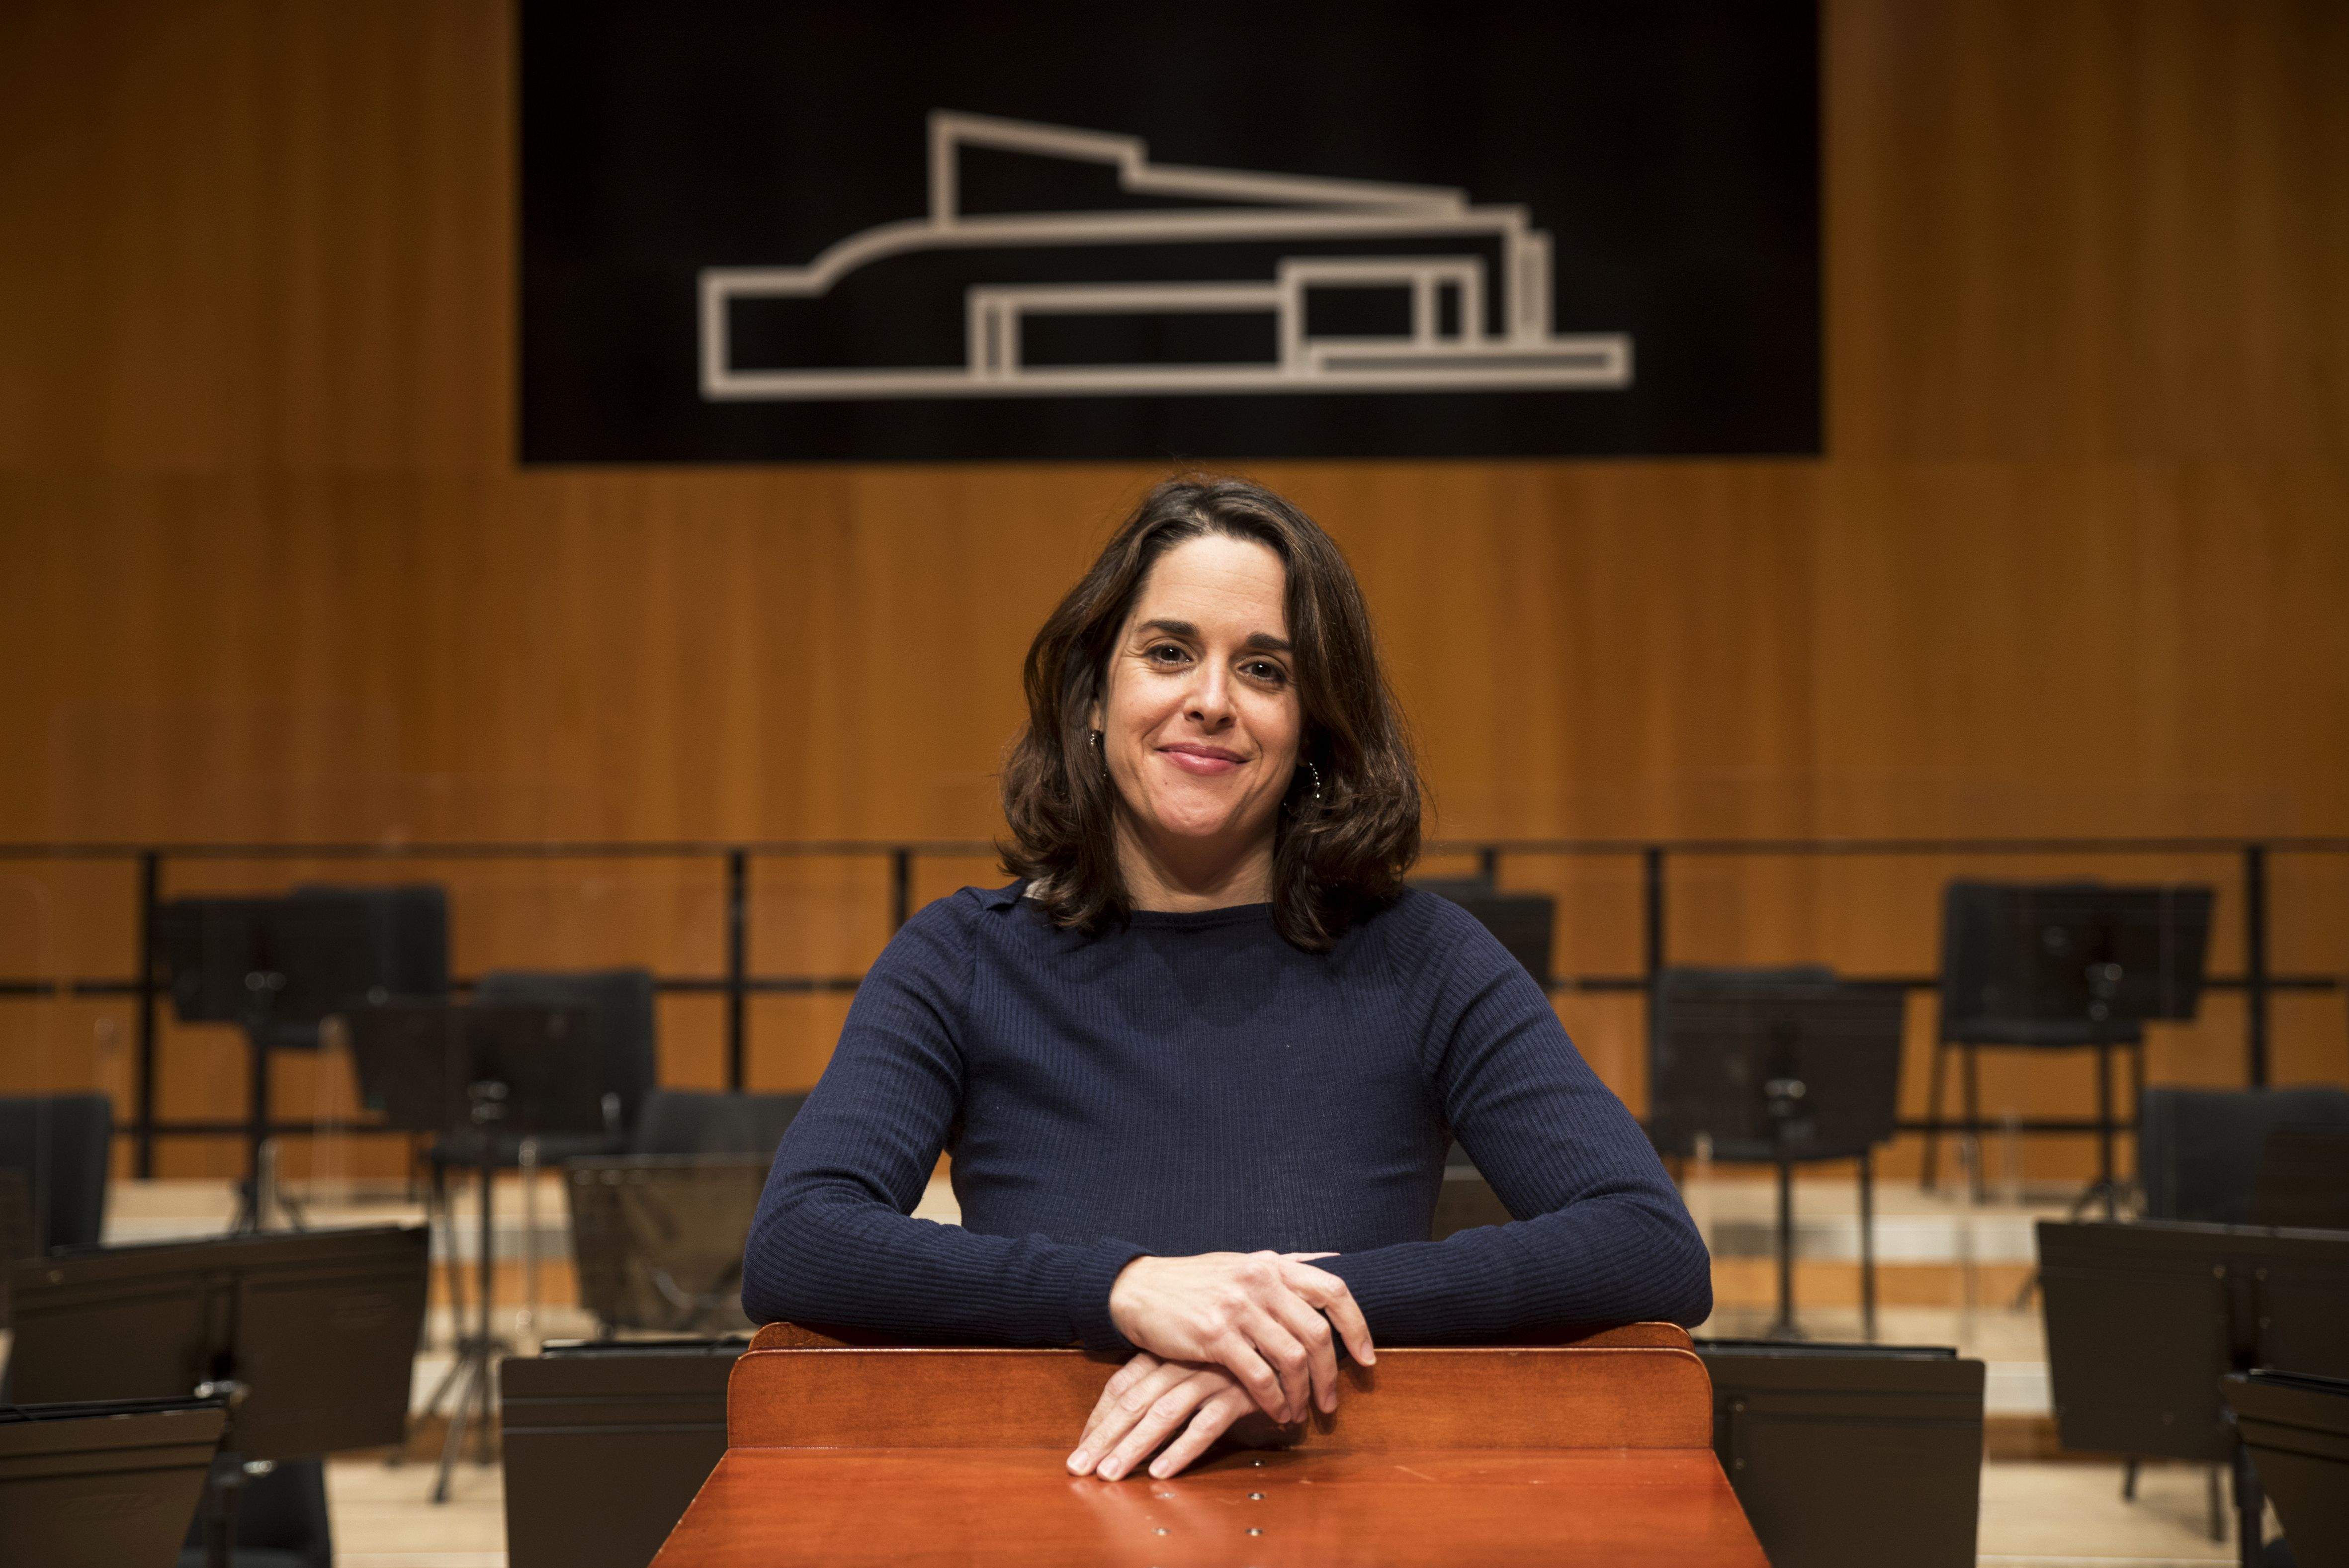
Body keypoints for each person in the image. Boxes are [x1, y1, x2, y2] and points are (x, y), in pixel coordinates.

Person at [743, 475, 1710, 1482]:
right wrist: (1120, 1287)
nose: (1209, 700)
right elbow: (801, 1240)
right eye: (1167, 653)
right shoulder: (958, 957)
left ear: (1312, 733)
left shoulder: (1425, 956)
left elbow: (1646, 1242)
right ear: (1091, 697)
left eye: (1263, 668)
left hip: (1354, 1513)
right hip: (1046, 1502)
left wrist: (1288, 1328)